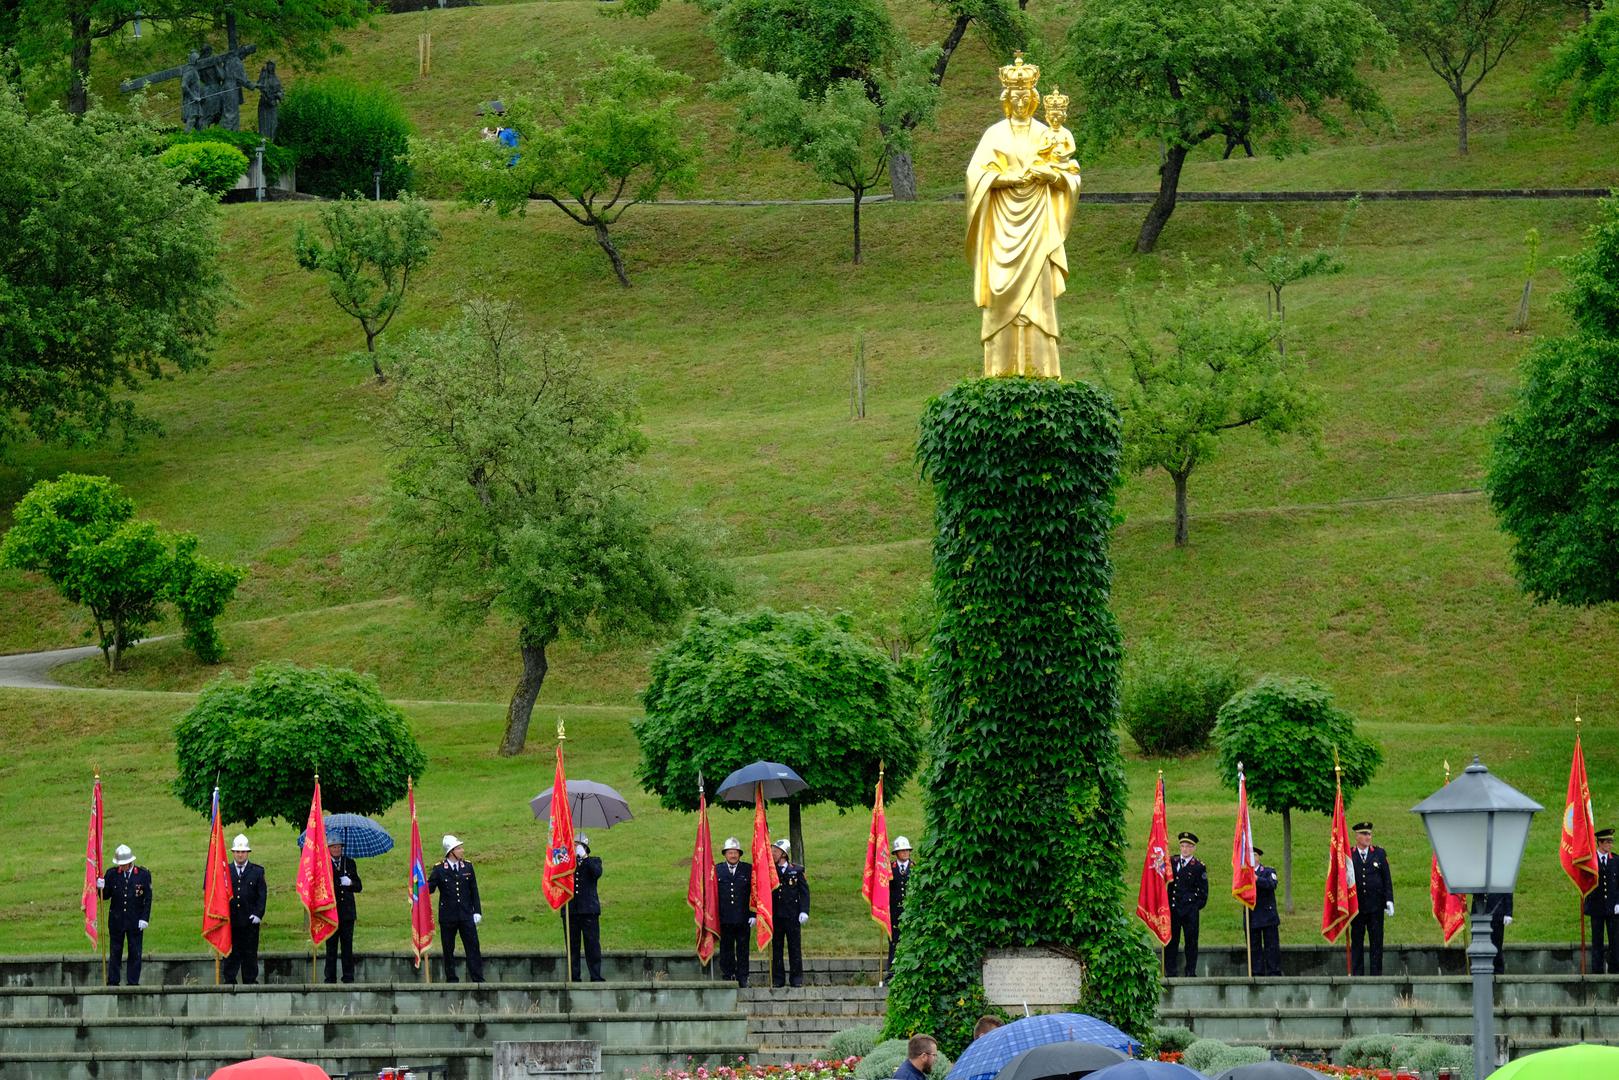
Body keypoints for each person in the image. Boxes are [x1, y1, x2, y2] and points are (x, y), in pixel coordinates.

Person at [965, 52, 1080, 379]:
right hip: (1002, 228)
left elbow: (1071, 173)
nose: (1020, 101)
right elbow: (975, 175)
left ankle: (1040, 371)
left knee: (1037, 302)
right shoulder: (994, 134)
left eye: (1025, 95)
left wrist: (1053, 178)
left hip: (1038, 229)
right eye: (1014, 96)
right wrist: (1006, 179)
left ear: (1033, 98)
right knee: (1002, 299)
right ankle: (1000, 373)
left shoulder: (1047, 133)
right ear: (1007, 98)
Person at [429, 834, 484, 983]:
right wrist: (418, 881)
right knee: (448, 949)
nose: (462, 850)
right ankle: (451, 978)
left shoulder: (467, 866)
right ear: (451, 851)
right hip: (448, 916)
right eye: (459, 848)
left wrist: (477, 911)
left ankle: (477, 977)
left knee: (473, 946)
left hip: (466, 914)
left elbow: (474, 890)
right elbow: (430, 889)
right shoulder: (439, 869)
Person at [99, 844, 151, 986]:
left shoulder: (142, 875)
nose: (121, 867)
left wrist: (144, 918)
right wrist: (101, 887)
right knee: (115, 952)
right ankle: (113, 981)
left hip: (135, 920)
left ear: (130, 862)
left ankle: (133, 982)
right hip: (117, 920)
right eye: (119, 865)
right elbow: (105, 896)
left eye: (123, 864)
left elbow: (147, 898)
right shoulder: (111, 874)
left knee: (135, 951)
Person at [1350, 822, 1394, 976]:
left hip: (1375, 907)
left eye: (1369, 834)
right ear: (1357, 836)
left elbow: (1386, 878)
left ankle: (1376, 976)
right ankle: (1357, 975)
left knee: (1376, 943)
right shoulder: (1350, 855)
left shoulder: (1379, 853)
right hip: (1357, 908)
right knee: (1357, 942)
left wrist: (1389, 900)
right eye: (1364, 834)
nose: (1368, 837)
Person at [222, 834, 266, 985]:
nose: (240, 855)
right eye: (237, 852)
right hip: (231, 922)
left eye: (243, 852)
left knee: (250, 954)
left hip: (249, 922)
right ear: (233, 852)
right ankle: (229, 982)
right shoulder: (224, 871)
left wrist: (258, 914)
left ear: (248, 853)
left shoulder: (257, 872)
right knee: (231, 953)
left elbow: (262, 895)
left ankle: (250, 981)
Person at [1165, 832, 1207, 977]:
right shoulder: (1172, 862)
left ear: (1193, 848)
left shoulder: (1198, 867)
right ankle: (1170, 971)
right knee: (1171, 942)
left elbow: (1203, 894)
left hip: (1189, 911)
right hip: (1174, 909)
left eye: (1188, 847)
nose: (1185, 849)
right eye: (1182, 846)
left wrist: (1193, 907)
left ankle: (1190, 971)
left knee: (1191, 942)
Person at [770, 839, 810, 988]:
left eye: (776, 851)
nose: (773, 853)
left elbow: (804, 892)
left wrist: (804, 911)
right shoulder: (770, 870)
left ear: (784, 854)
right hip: (776, 916)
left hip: (792, 916)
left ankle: (796, 978)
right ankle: (778, 979)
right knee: (777, 948)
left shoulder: (797, 870)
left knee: (794, 948)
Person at [564, 834, 604, 982]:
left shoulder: (594, 861)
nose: (575, 847)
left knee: (592, 945)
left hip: (589, 910)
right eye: (574, 845)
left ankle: (595, 976)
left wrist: (585, 858)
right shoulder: (566, 863)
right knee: (572, 947)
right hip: (571, 910)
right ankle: (574, 977)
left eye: (578, 845)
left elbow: (596, 873)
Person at [324, 836, 363, 984]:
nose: (337, 849)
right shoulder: (325, 865)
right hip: (331, 912)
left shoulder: (350, 863)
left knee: (347, 947)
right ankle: (330, 978)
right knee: (331, 948)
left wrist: (350, 882)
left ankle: (348, 977)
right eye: (333, 847)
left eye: (339, 847)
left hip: (347, 913)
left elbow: (359, 886)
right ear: (328, 849)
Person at [715, 837, 752, 987]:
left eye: (736, 852)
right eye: (730, 852)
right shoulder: (717, 870)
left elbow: (754, 893)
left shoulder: (748, 869)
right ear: (725, 854)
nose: (733, 855)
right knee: (726, 949)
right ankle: (728, 974)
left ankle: (743, 977)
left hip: (743, 917)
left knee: (743, 949)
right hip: (724, 918)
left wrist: (754, 914)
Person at [1585, 828, 1619, 972]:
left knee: (1615, 942)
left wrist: (1618, 902)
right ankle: (1596, 971)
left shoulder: (1616, 860)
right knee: (1597, 941)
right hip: (1596, 907)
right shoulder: (1590, 861)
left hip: (1613, 908)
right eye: (1607, 842)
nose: (1610, 845)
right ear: (1599, 843)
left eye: (1611, 842)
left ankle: (1615, 970)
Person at [1248, 847, 1281, 977]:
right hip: (1252, 914)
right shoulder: (1244, 874)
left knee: (1271, 946)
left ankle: (1274, 972)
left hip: (1268, 915)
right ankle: (1257, 972)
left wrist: (1256, 879)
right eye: (1249, 855)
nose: (1252, 857)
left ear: (1259, 857)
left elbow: (1272, 884)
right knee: (1254, 947)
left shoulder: (1268, 871)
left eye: (1254, 855)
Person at [885, 836, 914, 985]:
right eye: (901, 851)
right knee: (894, 943)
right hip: (894, 913)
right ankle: (891, 973)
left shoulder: (916, 868)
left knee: (911, 942)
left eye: (906, 850)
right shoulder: (890, 869)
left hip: (912, 913)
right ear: (896, 853)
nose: (905, 853)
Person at [1472, 892, 1513, 974]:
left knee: (1496, 947)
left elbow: (1507, 889)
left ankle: (1497, 975)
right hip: (1478, 912)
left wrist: (1508, 912)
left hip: (1496, 912)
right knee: (1477, 946)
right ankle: (1478, 973)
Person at [256, 61, 283, 144]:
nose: (270, 67)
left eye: (272, 65)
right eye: (268, 65)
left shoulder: (276, 78)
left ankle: (271, 141)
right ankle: (264, 142)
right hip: (264, 105)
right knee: (264, 125)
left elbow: (281, 90)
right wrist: (262, 75)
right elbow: (260, 86)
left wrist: (278, 95)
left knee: (273, 124)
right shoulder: (264, 77)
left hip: (273, 105)